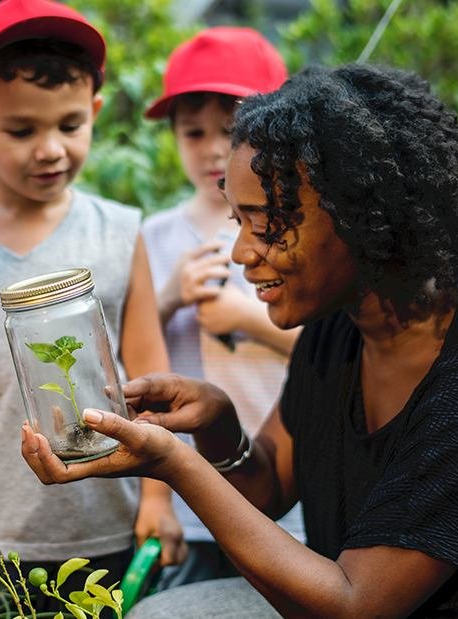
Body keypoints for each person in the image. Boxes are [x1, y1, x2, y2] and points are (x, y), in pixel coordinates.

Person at [22, 63, 458, 616]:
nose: (242, 253)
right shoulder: (341, 323)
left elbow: (354, 606)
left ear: (362, 213)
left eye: (267, 224)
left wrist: (173, 464)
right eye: (238, 221)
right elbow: (267, 488)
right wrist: (219, 422)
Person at [0, 0, 181, 606]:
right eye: (21, 130)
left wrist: (158, 498)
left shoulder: (119, 231)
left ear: (96, 114)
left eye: (70, 125)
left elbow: (151, 373)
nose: (50, 149)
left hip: (109, 521)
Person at [139, 27, 305, 588]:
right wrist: (169, 299)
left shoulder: (296, 233)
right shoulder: (153, 237)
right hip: (191, 500)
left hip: (287, 486)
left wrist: (245, 321)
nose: (212, 148)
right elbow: (125, 350)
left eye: (231, 132)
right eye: (193, 133)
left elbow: (331, 349)